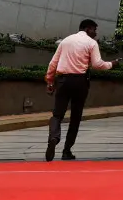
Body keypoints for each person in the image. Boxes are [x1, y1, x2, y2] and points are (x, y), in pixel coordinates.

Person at [44, 18, 114, 161]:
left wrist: (50, 81)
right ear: (87, 29)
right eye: (94, 30)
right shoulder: (91, 43)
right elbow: (97, 64)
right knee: (75, 117)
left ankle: (54, 137)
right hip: (80, 82)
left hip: (63, 80)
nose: (96, 33)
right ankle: (67, 150)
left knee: (57, 114)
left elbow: (53, 63)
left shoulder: (65, 41)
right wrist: (112, 64)